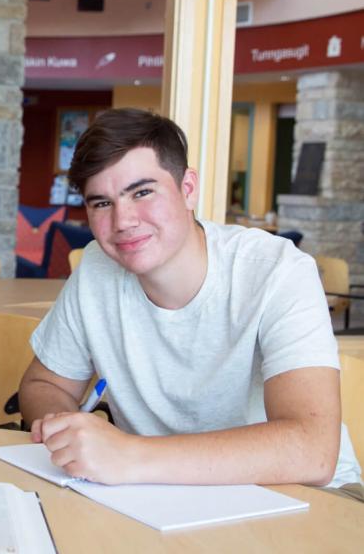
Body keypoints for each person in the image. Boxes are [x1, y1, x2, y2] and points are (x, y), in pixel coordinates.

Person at [19, 108, 361, 495]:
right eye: (101, 203)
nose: (123, 220)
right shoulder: (96, 270)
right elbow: (43, 382)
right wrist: (69, 431)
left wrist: (128, 455)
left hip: (309, 497)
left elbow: (312, 451)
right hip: (160, 493)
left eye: (142, 192)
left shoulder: (276, 271)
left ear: (188, 190)